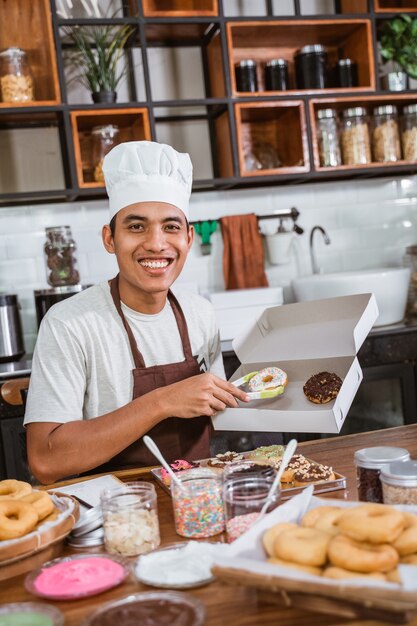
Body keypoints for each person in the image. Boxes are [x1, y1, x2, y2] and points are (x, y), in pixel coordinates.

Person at [25, 141, 249, 484]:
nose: (156, 243)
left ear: (189, 238)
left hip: (198, 500)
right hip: (113, 512)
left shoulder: (200, 313)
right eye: (136, 226)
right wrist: (163, 401)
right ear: (109, 238)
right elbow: (44, 459)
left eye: (171, 227)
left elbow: (220, 416)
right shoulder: (68, 323)